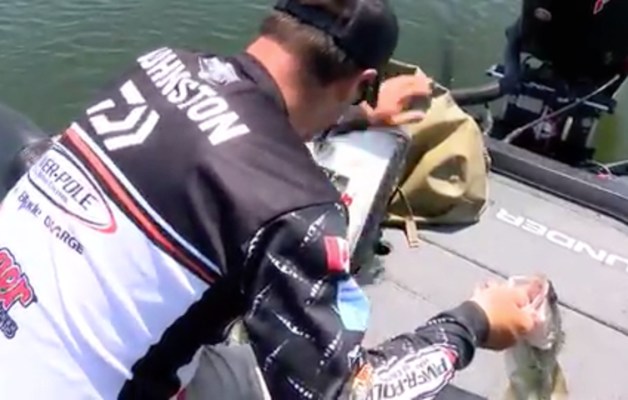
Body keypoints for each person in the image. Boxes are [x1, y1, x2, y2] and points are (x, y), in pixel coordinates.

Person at [0, 0, 538, 399]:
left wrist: (355, 114)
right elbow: (349, 392)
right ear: (365, 79)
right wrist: (474, 324)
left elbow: (224, 127)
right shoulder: (296, 208)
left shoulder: (157, 67)